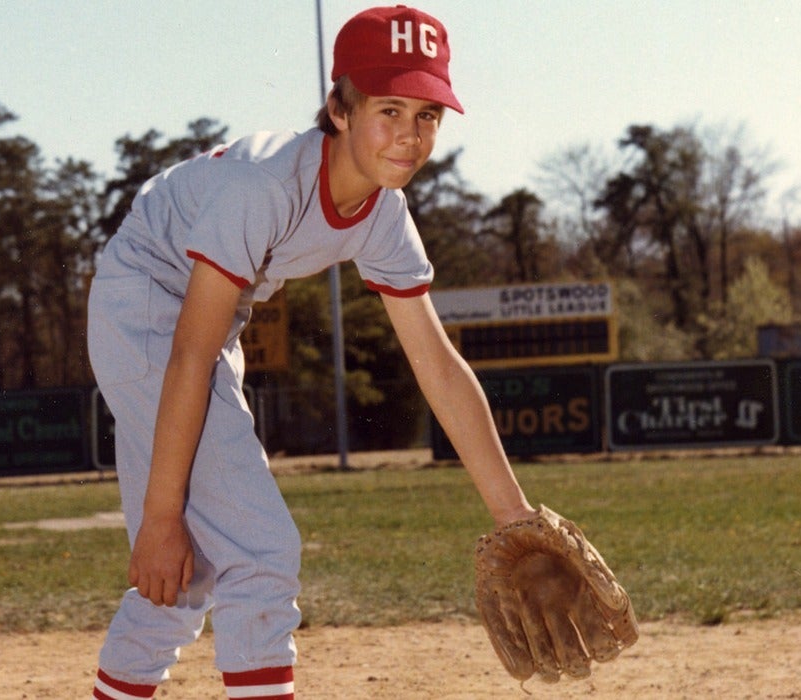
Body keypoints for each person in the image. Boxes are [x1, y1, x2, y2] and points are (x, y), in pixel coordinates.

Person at [87, 6, 535, 699]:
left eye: (428, 115)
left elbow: (438, 366)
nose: (410, 136)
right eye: (389, 109)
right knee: (261, 553)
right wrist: (160, 516)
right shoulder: (264, 185)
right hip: (146, 301)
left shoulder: (383, 214)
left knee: (187, 571)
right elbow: (187, 356)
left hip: (196, 322)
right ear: (339, 109)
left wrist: (516, 520)